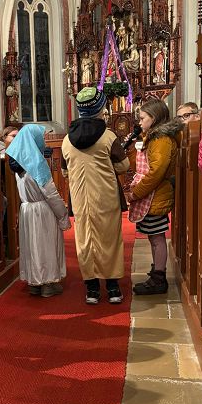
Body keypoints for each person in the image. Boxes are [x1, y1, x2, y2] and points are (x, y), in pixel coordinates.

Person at [62, 87, 129, 304]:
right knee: (109, 239)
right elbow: (123, 166)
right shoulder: (108, 136)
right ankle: (112, 287)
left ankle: (91, 289)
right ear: (101, 109)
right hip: (105, 196)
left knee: (84, 240)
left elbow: (64, 172)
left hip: (80, 197)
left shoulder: (66, 140)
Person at [7, 125, 71, 297]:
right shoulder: (36, 163)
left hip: (27, 208)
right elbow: (50, 193)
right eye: (41, 137)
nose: (43, 141)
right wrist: (62, 215)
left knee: (32, 247)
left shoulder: (18, 161)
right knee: (46, 246)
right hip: (42, 210)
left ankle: (34, 283)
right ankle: (48, 284)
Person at [128, 99, 183, 294]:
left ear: (154, 118)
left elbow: (156, 172)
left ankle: (159, 279)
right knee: (153, 237)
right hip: (153, 195)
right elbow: (143, 166)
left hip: (155, 195)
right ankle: (156, 273)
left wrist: (137, 193)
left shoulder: (161, 140)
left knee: (157, 238)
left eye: (143, 118)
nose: (139, 122)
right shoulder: (153, 137)